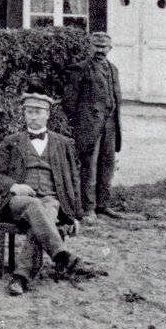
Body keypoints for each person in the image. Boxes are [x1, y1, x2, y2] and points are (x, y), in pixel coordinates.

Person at [0, 91, 105, 281]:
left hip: (51, 199)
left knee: (44, 216)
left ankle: (21, 278)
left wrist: (75, 215)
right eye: (29, 112)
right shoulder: (12, 141)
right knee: (35, 206)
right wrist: (14, 186)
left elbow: (73, 180)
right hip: (18, 202)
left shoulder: (63, 143)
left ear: (48, 114)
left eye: (38, 112)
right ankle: (61, 254)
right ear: (24, 114)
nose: (33, 117)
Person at [64, 32, 125, 218]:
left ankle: (103, 205)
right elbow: (69, 101)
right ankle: (88, 208)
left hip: (110, 125)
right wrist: (79, 125)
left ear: (110, 48)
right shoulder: (80, 69)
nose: (100, 50)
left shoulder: (113, 69)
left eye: (103, 47)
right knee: (89, 166)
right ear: (90, 47)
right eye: (96, 46)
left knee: (107, 164)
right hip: (89, 126)